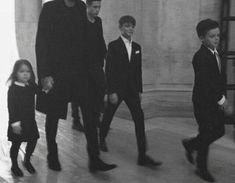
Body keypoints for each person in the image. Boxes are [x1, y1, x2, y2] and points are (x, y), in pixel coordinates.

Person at [36, 0, 116, 172]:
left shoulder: (81, 7)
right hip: (57, 74)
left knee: (90, 115)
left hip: (81, 74)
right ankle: (52, 155)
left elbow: (88, 39)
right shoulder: (50, 8)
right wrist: (44, 74)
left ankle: (94, 159)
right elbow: (41, 42)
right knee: (53, 116)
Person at [99, 15, 162, 167]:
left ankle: (142, 156)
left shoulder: (137, 48)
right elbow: (109, 70)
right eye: (127, 26)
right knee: (108, 115)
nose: (130, 28)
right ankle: (101, 139)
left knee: (139, 121)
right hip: (117, 89)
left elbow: (138, 70)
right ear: (120, 28)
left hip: (132, 91)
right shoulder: (113, 45)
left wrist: (140, 90)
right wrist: (110, 91)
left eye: (132, 26)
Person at [182, 19, 233, 182]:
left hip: (214, 101)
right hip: (203, 103)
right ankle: (201, 168)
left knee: (219, 131)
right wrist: (223, 102)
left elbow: (217, 80)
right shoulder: (200, 57)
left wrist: (221, 99)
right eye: (212, 36)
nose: (217, 39)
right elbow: (207, 84)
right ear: (202, 38)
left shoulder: (216, 53)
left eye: (218, 35)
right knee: (206, 132)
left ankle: (190, 145)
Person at [7, 59, 42, 177]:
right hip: (17, 122)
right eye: (22, 71)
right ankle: (14, 165)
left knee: (33, 140)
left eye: (28, 71)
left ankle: (27, 160)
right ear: (15, 73)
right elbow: (11, 108)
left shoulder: (31, 85)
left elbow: (41, 92)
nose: (25, 74)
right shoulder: (13, 89)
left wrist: (47, 86)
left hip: (30, 121)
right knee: (16, 145)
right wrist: (15, 124)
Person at [86, 0, 107, 129]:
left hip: (96, 61)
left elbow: (100, 38)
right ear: (87, 6)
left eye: (99, 7)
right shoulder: (81, 21)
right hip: (85, 63)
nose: (97, 10)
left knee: (101, 86)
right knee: (85, 91)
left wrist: (106, 55)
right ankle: (78, 118)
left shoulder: (98, 21)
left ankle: (96, 115)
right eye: (94, 7)